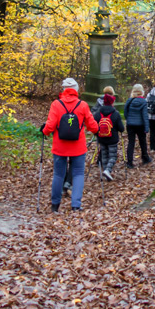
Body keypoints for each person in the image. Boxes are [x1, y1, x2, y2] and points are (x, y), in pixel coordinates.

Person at [42, 78, 98, 212]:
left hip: (60, 145)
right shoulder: (82, 105)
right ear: (76, 90)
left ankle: (55, 205)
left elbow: (50, 125)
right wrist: (97, 130)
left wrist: (44, 132)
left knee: (58, 175)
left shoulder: (56, 104)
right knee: (78, 174)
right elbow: (91, 125)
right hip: (78, 146)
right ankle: (76, 205)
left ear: (63, 89)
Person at [94, 93, 124, 181]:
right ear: (112, 103)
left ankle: (105, 173)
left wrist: (97, 134)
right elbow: (121, 128)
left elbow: (94, 126)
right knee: (113, 156)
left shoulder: (98, 113)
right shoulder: (116, 113)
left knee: (104, 156)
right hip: (112, 139)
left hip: (101, 138)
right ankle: (107, 170)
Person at [123, 84, 150, 168]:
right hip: (140, 125)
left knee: (131, 142)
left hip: (130, 125)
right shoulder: (143, 102)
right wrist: (146, 127)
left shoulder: (129, 101)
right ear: (141, 91)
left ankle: (129, 162)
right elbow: (145, 115)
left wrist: (129, 119)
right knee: (142, 142)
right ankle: (145, 158)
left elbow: (125, 113)